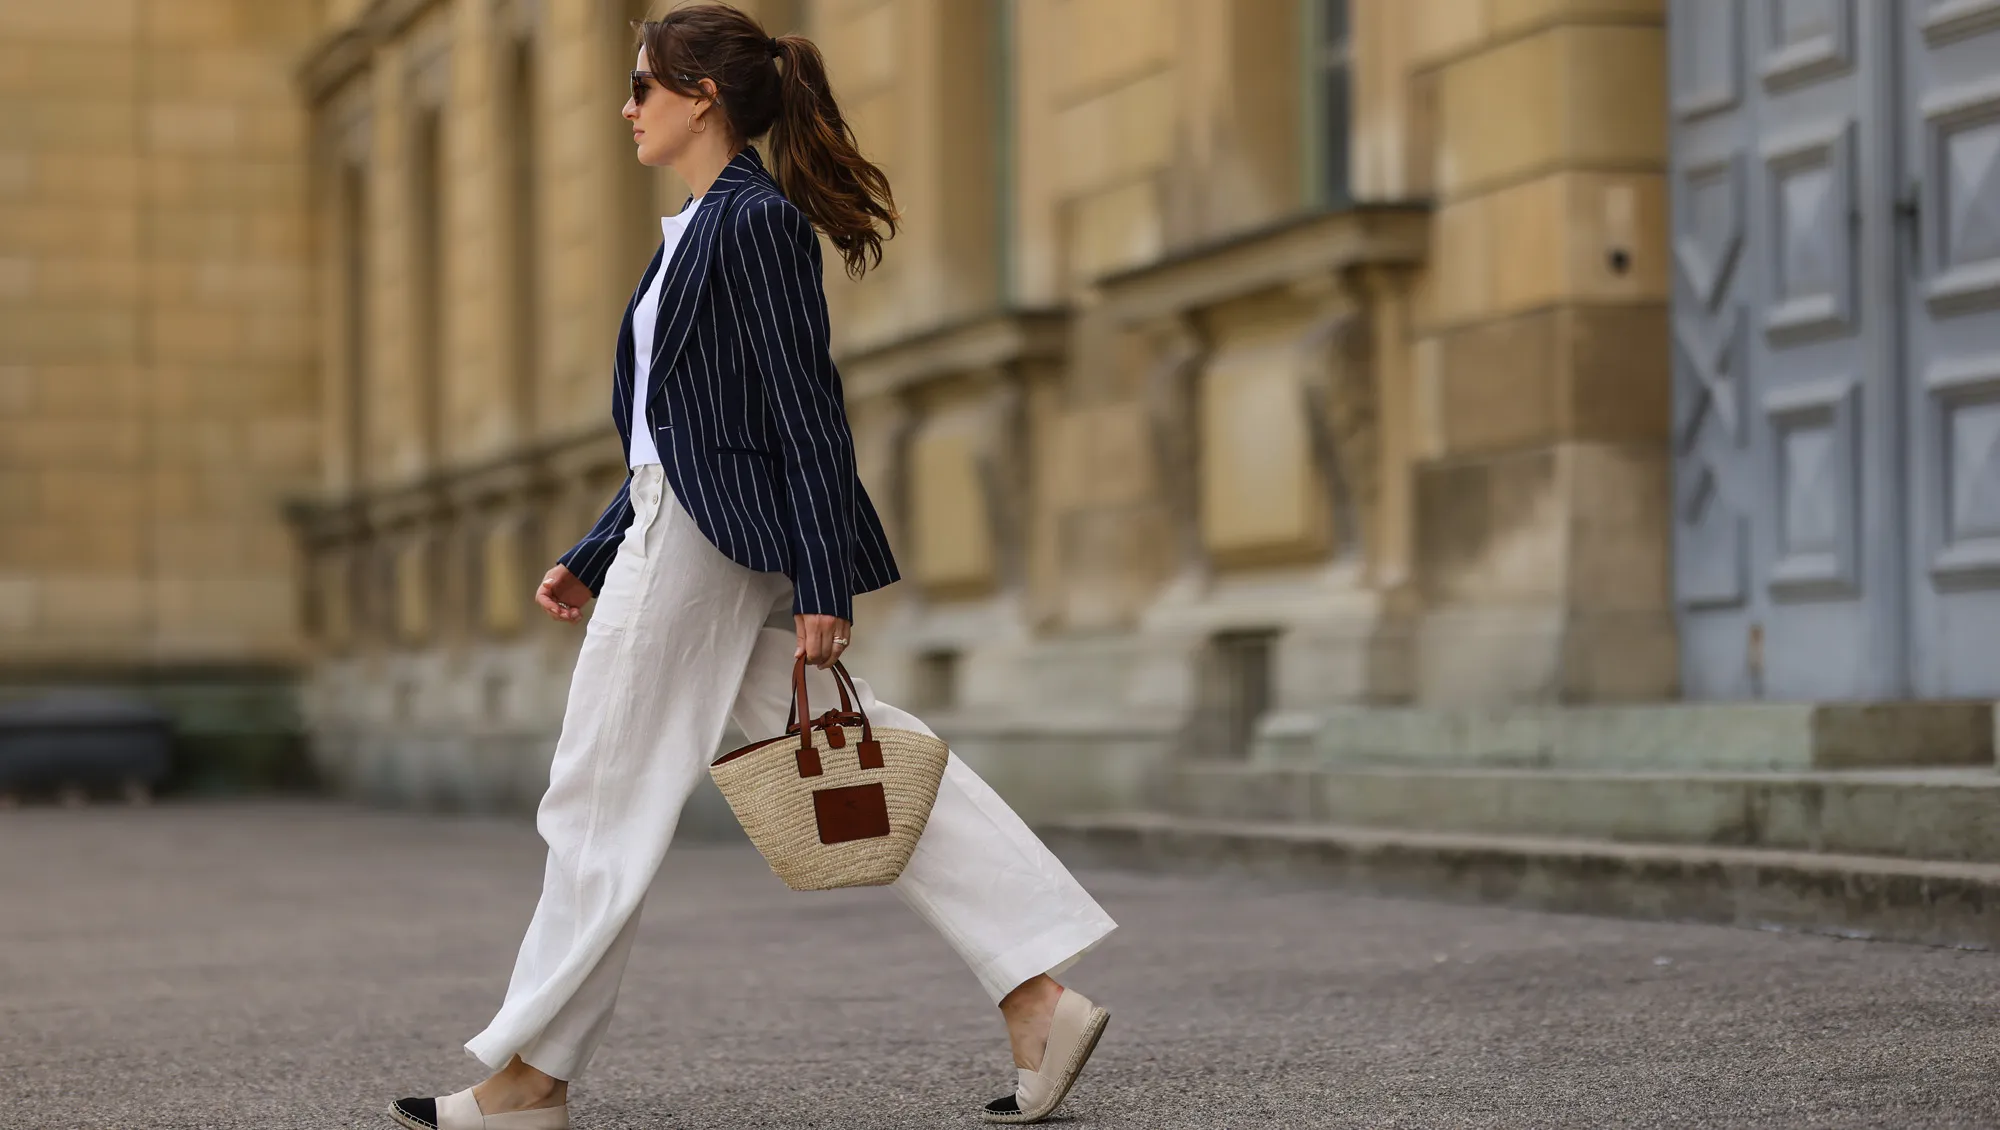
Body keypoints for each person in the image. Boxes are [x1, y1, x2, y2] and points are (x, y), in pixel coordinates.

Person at [387, 6, 1116, 1128]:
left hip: (703, 547)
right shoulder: (694, 227)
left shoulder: (755, 222)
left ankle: (531, 1079)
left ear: (702, 96)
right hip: (675, 527)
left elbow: (804, 412)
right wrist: (596, 550)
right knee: (849, 752)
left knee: (597, 793)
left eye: (642, 86)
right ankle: (1036, 993)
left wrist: (825, 581)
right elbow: (680, 432)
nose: (625, 107)